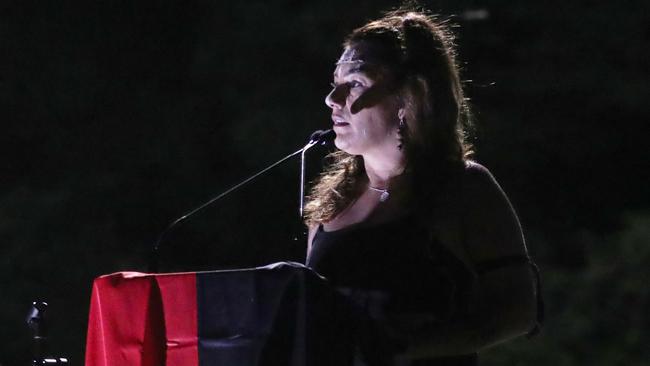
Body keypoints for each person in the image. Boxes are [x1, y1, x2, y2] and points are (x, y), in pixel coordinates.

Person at [303, 8, 542, 366]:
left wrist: (403, 347)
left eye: (355, 83)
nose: (333, 99)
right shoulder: (331, 203)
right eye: (334, 82)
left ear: (411, 95)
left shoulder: (464, 189)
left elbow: (519, 311)